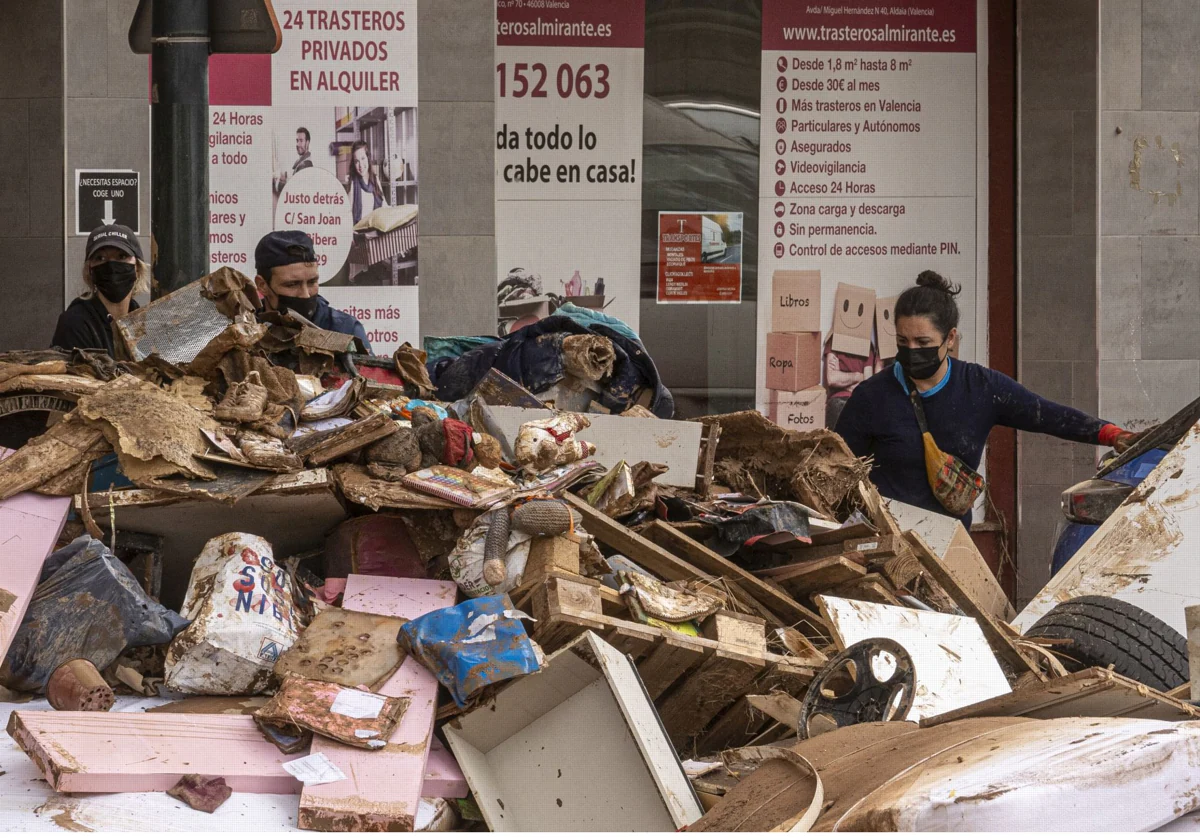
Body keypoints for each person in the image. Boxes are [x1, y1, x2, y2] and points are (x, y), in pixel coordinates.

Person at [835, 270, 1136, 523]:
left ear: (950, 338)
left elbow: (1048, 414)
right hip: (885, 547)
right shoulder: (871, 398)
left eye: (923, 341)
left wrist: (1111, 434)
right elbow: (836, 472)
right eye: (903, 341)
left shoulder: (980, 387)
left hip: (950, 552)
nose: (912, 350)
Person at [254, 230, 372, 352]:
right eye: (292, 285)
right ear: (262, 285)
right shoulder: (246, 330)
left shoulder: (345, 329)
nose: (305, 295)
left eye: (312, 282)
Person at [51, 224, 149, 357]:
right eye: (100, 258)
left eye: (122, 256)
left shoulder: (142, 322)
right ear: (90, 270)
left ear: (137, 267)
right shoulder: (74, 323)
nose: (111, 266)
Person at [348, 139, 387, 224]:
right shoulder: (353, 183)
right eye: (356, 161)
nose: (360, 165)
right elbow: (347, 214)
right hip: (360, 233)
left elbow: (384, 206)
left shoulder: (375, 180)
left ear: (368, 158)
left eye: (363, 159)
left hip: (376, 231)